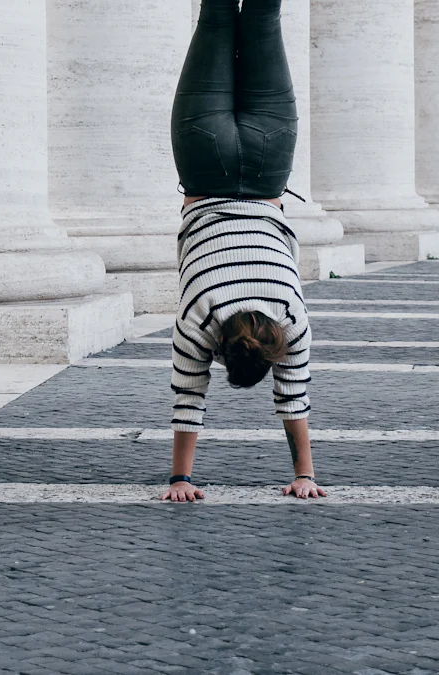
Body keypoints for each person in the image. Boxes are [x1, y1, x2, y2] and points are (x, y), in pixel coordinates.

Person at [161, 0, 326, 502]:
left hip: (267, 161)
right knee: (215, 13)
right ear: (224, 353)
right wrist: (180, 480)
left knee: (263, 15)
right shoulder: (199, 317)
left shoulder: (291, 319)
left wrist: (306, 475)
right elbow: (188, 399)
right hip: (203, 161)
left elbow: (294, 400)